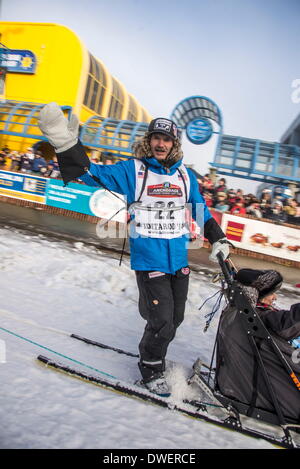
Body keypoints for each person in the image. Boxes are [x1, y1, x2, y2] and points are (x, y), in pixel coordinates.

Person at [38, 103, 231, 396]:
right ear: (149, 141)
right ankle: (151, 368)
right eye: (156, 138)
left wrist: (218, 238)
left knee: (174, 319)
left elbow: (200, 210)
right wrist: (66, 145)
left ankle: (155, 341)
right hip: (149, 259)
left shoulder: (185, 176)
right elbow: (92, 174)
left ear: (174, 144)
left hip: (178, 258)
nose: (160, 143)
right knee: (163, 320)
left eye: (166, 139)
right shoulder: (134, 170)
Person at [216, 268, 300, 423]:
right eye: (271, 294)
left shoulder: (241, 313)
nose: (274, 298)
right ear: (258, 295)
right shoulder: (258, 318)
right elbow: (288, 324)